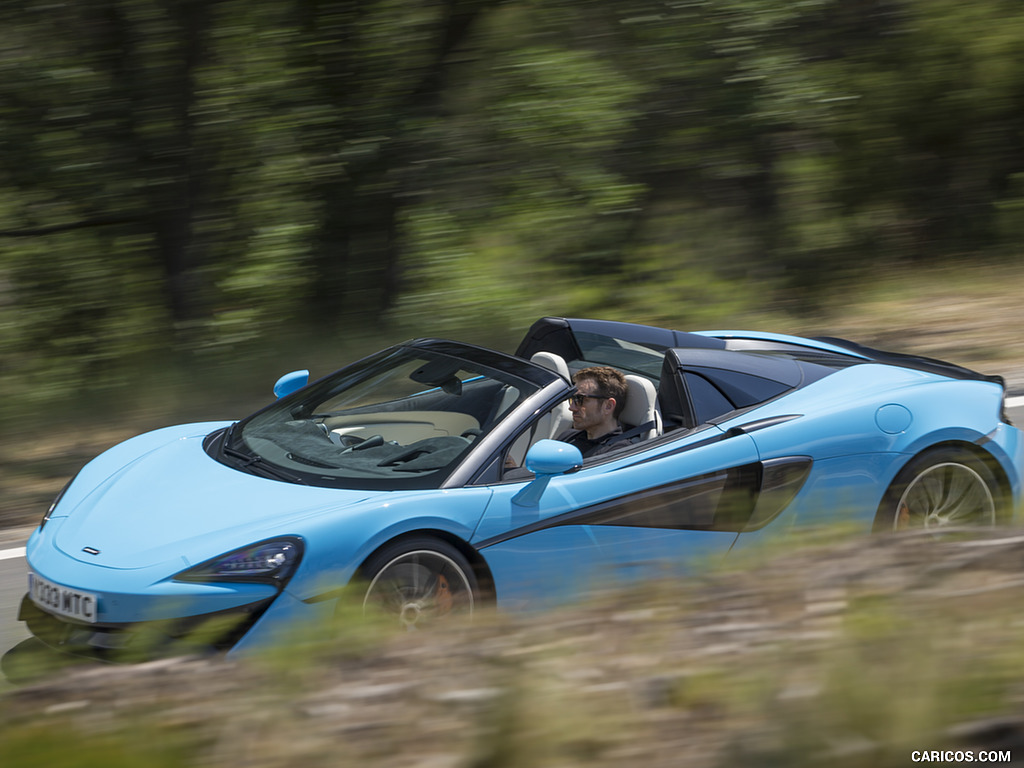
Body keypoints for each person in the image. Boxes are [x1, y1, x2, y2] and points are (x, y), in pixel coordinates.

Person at [556, 366, 631, 458]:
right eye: (572, 399)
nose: (571, 408)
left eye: (580, 399)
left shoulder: (619, 452)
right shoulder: (568, 436)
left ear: (608, 406)